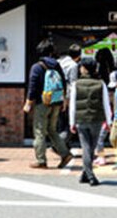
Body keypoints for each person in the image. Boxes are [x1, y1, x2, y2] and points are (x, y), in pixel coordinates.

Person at [23, 38, 72, 169]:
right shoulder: (57, 65)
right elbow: (63, 83)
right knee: (52, 130)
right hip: (56, 102)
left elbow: (32, 87)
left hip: (42, 103)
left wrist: (28, 103)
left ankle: (41, 160)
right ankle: (65, 153)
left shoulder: (37, 67)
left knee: (39, 131)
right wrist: (64, 101)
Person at [69, 58, 112, 186]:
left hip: (81, 119)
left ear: (85, 68)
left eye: (81, 66)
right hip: (96, 119)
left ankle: (88, 174)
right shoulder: (101, 83)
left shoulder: (76, 84)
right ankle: (88, 174)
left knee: (86, 148)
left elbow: (72, 105)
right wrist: (109, 121)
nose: (80, 68)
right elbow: (106, 103)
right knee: (91, 147)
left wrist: (72, 122)